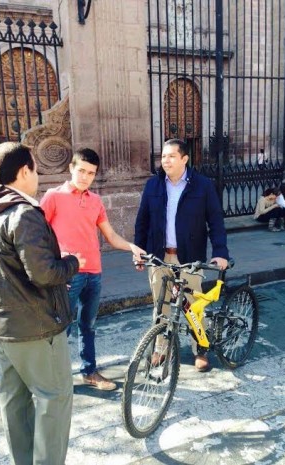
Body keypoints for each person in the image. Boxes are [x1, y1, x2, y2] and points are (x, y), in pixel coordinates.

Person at [0, 142, 84, 465]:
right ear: (24, 171)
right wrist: (72, 263)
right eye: (36, 168)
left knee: (15, 401)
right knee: (54, 398)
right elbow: (45, 273)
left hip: (4, 326)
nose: (37, 176)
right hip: (36, 327)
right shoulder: (23, 214)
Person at [40, 148, 145, 391]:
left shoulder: (95, 201)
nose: (86, 177)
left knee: (88, 326)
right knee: (60, 329)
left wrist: (131, 247)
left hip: (94, 274)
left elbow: (110, 235)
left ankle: (89, 372)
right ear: (71, 168)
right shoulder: (53, 197)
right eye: (81, 171)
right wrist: (54, 262)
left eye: (91, 173)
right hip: (67, 274)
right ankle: (52, 379)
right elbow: (37, 235)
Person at [134, 138, 229, 372]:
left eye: (171, 156)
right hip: (158, 257)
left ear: (184, 159)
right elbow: (142, 222)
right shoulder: (153, 185)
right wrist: (139, 252)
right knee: (161, 306)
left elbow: (215, 221)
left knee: (193, 305)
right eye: (163, 156)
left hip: (189, 258)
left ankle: (201, 349)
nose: (165, 160)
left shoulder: (203, 186)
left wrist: (220, 253)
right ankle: (161, 349)